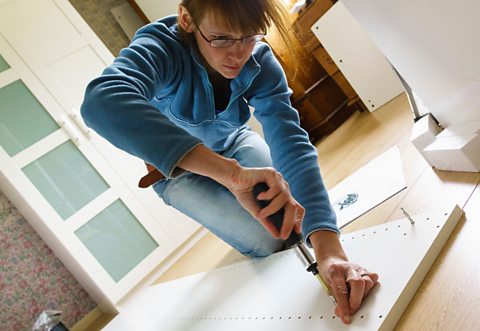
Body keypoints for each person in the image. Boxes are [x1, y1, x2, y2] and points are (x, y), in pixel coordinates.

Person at [81, 0, 378, 324]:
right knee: (266, 240)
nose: (238, 55)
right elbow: (101, 101)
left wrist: (329, 247)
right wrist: (232, 176)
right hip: (177, 174)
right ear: (187, 19)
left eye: (249, 36)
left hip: (234, 143)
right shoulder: (161, 46)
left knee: (287, 219)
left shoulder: (261, 60)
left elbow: (290, 142)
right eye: (221, 39)